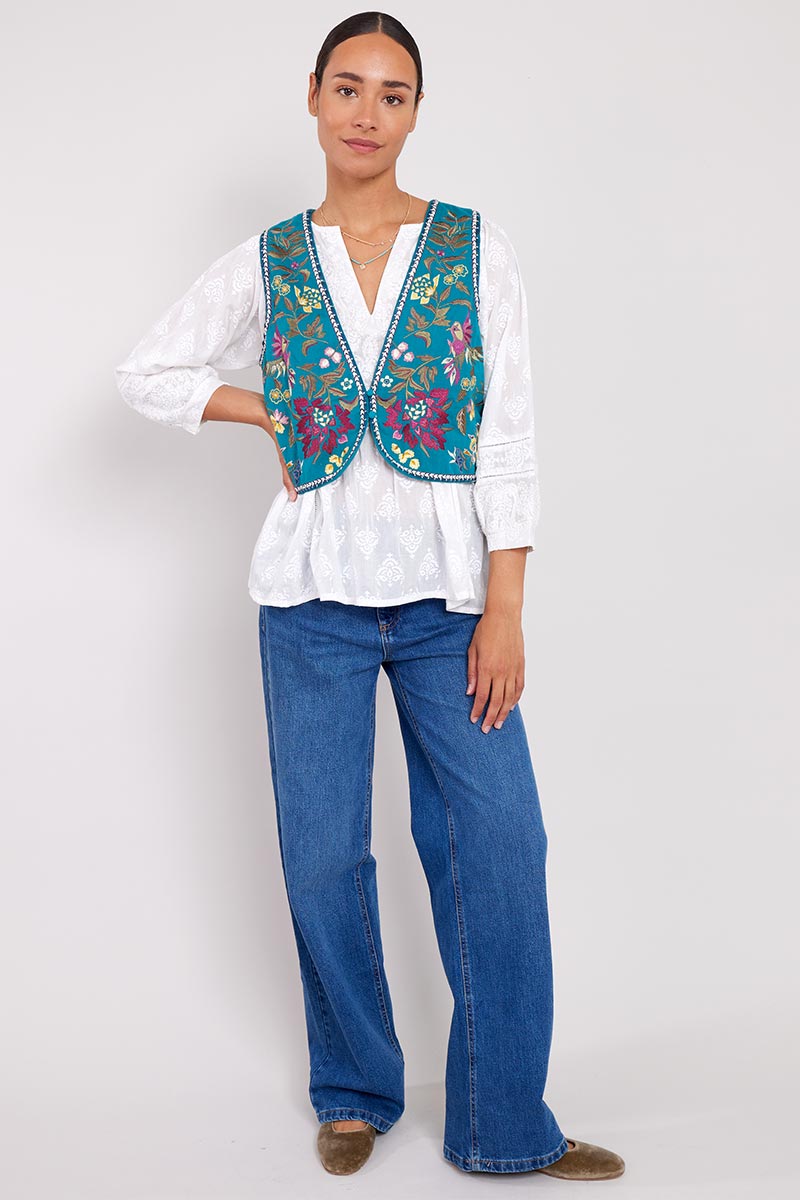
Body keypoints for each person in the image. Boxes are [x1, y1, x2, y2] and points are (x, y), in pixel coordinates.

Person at [115, 9, 625, 1183]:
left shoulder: (473, 247)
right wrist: (264, 410)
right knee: (320, 859)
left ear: (415, 113)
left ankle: (504, 1123)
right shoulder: (267, 260)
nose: (366, 113)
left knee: (497, 847)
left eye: (392, 95)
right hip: (309, 605)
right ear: (311, 96)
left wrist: (504, 606)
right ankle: (352, 1090)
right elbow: (148, 371)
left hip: (450, 606)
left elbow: (508, 435)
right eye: (347, 88)